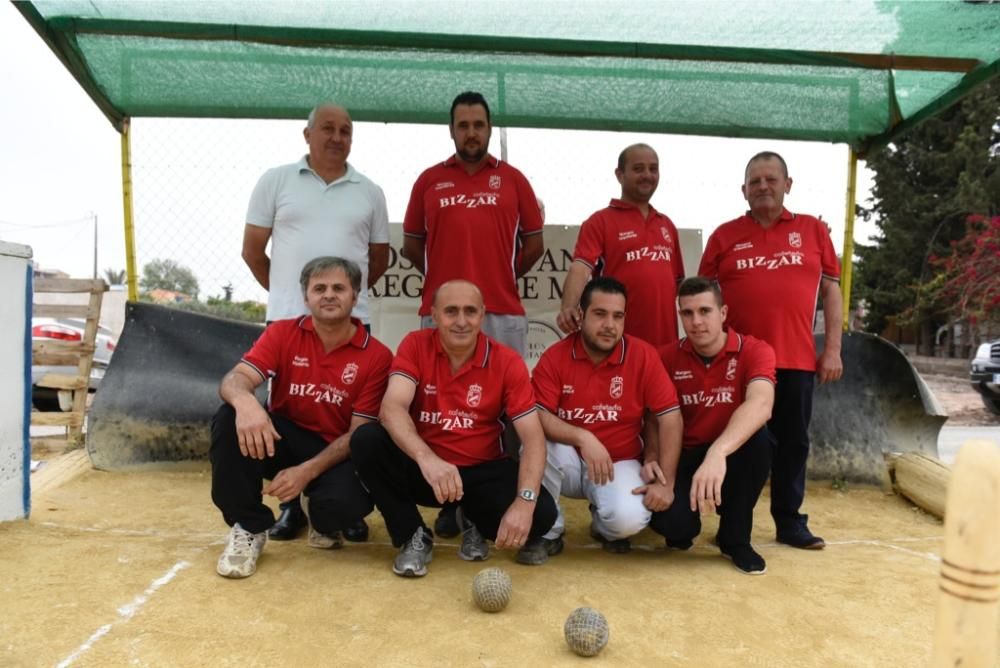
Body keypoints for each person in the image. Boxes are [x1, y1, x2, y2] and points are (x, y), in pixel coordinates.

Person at [242, 102, 390, 541]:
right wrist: (291, 297)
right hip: (287, 323)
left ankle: (346, 498)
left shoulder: (370, 191)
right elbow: (252, 250)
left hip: (351, 322)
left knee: (350, 420)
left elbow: (377, 259)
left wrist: (340, 300)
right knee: (290, 415)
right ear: (306, 135)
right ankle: (291, 506)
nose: (337, 137)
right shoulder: (275, 181)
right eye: (327, 128)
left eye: (345, 130)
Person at [402, 90, 545, 537]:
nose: (471, 133)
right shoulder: (428, 180)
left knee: (506, 418)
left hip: (502, 312)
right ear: (452, 130)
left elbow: (534, 246)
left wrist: (498, 278)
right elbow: (412, 245)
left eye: (479, 125)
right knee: (440, 412)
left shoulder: (515, 179)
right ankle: (449, 502)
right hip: (439, 314)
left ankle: (497, 504)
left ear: (488, 128)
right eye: (463, 125)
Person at [349, 280, 558, 577]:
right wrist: (427, 459)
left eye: (470, 311)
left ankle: (471, 518)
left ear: (483, 315)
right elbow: (391, 408)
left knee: (543, 516)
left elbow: (534, 439)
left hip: (481, 471)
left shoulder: (506, 361)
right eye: (451, 311)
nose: (461, 321)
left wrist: (525, 504)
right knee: (367, 440)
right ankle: (412, 534)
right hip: (427, 472)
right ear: (434, 315)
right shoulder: (416, 344)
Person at [211, 257, 392, 578]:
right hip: (283, 439)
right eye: (319, 288)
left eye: (339, 288)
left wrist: (305, 473)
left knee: (340, 510)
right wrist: (247, 403)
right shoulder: (282, 333)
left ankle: (314, 508)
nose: (329, 295)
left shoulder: (377, 355)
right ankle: (249, 526)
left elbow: (357, 435)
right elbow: (233, 380)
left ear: (355, 295)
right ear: (306, 297)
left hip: (335, 451)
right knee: (229, 416)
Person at [698, 151, 843, 550]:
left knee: (793, 443)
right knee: (739, 441)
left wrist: (832, 348)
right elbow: (702, 297)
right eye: (755, 181)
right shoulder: (724, 236)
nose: (763, 186)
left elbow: (831, 290)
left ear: (787, 185)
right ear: (743, 190)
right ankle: (731, 517)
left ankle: (789, 521)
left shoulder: (814, 231)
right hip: (738, 363)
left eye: (771, 179)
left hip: (796, 359)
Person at [520, 277, 683, 563]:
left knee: (626, 521)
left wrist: (666, 483)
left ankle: (603, 526)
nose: (609, 325)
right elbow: (538, 414)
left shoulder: (643, 355)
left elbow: (670, 417)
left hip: (618, 461)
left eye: (617, 316)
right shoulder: (556, 356)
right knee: (534, 442)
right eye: (600, 314)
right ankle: (548, 532)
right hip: (569, 460)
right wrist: (583, 437)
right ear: (581, 316)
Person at [650, 277, 776, 574]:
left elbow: (761, 404)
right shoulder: (664, 357)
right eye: (687, 313)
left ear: (723, 313)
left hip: (730, 455)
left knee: (758, 436)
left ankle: (735, 538)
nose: (696, 321)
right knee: (673, 526)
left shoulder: (755, 350)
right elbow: (652, 419)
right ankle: (683, 525)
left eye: (705, 311)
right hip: (684, 455)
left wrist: (718, 453)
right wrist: (654, 462)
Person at [557, 143, 685, 347]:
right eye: (638, 168)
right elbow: (580, 269)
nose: (647, 175)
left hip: (665, 348)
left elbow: (679, 287)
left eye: (653, 169)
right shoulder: (600, 221)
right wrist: (568, 307)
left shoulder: (667, 225)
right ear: (619, 175)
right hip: (617, 345)